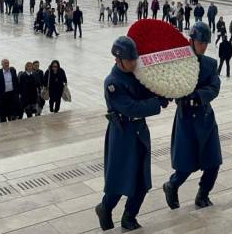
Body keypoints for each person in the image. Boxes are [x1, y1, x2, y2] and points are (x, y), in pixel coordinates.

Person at [95, 36, 169, 231]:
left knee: (142, 180)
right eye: (129, 60)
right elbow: (131, 108)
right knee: (120, 180)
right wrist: (156, 103)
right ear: (118, 60)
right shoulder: (112, 83)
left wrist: (162, 92)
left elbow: (149, 92)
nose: (134, 63)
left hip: (139, 132)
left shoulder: (136, 75)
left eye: (134, 59)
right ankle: (105, 208)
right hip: (122, 134)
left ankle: (129, 216)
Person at [163, 22, 222, 211]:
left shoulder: (210, 64)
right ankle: (172, 185)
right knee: (186, 163)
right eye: (200, 42)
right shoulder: (179, 63)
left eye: (205, 43)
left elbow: (214, 87)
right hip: (186, 118)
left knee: (213, 161)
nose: (203, 46)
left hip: (205, 117)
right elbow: (170, 85)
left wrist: (197, 96)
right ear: (191, 41)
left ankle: (203, 194)